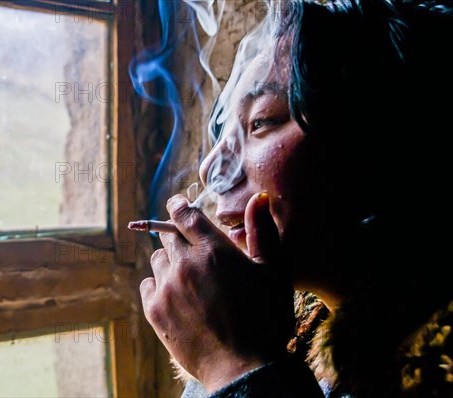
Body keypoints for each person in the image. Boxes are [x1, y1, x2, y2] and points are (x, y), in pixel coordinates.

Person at [138, 1, 453, 397]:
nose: (210, 167)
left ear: (382, 141)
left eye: (261, 121)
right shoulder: (292, 339)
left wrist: (236, 366)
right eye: (225, 130)